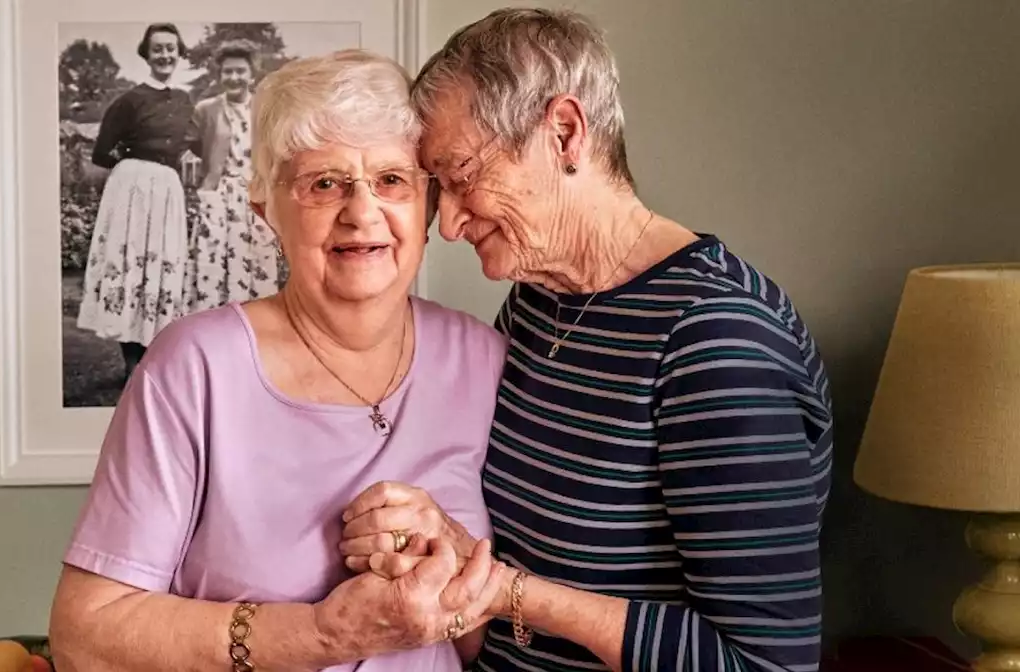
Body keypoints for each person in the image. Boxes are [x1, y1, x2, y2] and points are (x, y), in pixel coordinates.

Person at [340, 8, 835, 672]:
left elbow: (765, 664)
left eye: (460, 178)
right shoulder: (541, 299)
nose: (449, 224)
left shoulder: (719, 340)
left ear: (564, 133)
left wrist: (504, 592)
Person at [49, 49, 512, 671]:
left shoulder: (483, 360)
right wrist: (325, 633)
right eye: (324, 183)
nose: (362, 211)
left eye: (392, 180)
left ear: (427, 207)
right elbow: (86, 637)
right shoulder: (195, 367)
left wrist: (443, 556)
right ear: (268, 210)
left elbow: (487, 641)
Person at [76, 23, 200, 382]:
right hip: (132, 188)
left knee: (161, 267)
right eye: (157, 48)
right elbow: (101, 153)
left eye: (171, 49)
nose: (164, 55)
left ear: (179, 54)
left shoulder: (183, 101)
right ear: (147, 54)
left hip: (168, 189)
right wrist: (134, 169)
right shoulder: (129, 100)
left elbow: (196, 144)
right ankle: (131, 361)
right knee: (130, 266)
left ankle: (154, 357)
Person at [188, 39, 284, 312]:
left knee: (257, 270)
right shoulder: (206, 109)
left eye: (240, 71)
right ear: (219, 75)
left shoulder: (266, 111)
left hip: (255, 201)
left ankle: (252, 339)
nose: (233, 77)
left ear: (252, 74)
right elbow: (195, 145)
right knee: (212, 271)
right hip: (218, 197)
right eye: (227, 71)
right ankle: (212, 339)